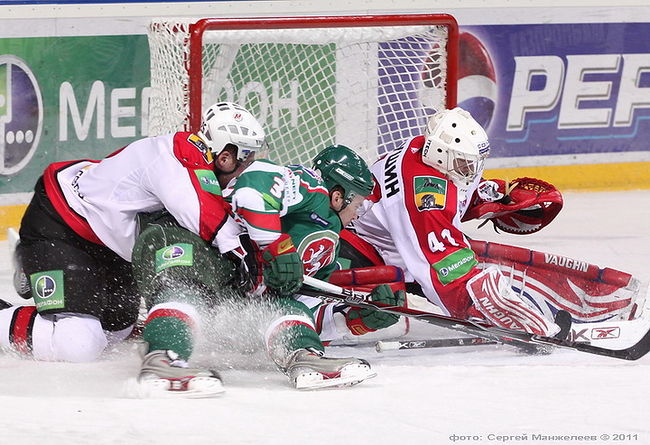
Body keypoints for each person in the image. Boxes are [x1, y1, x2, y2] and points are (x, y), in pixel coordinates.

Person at [0, 102, 264, 367]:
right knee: (78, 343)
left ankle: (31, 265)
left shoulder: (195, 158)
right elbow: (206, 217)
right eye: (248, 159)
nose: (249, 167)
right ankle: (32, 259)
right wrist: (249, 257)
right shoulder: (178, 162)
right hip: (61, 227)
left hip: (108, 242)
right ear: (225, 157)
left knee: (118, 331)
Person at [131, 143, 404, 396]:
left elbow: (305, 304)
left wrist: (352, 319)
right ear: (338, 195)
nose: (359, 213)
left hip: (232, 280)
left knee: (285, 307)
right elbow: (252, 187)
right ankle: (162, 360)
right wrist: (276, 246)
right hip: (189, 240)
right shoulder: (311, 187)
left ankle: (304, 357)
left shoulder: (326, 249)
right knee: (187, 290)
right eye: (358, 204)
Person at [340, 107, 561, 337]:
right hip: (360, 249)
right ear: (438, 153)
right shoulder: (423, 195)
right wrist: (480, 313)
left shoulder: (431, 153)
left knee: (460, 258)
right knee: (390, 314)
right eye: (466, 164)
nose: (472, 170)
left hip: (394, 237)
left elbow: (455, 193)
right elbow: (443, 269)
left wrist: (493, 196)